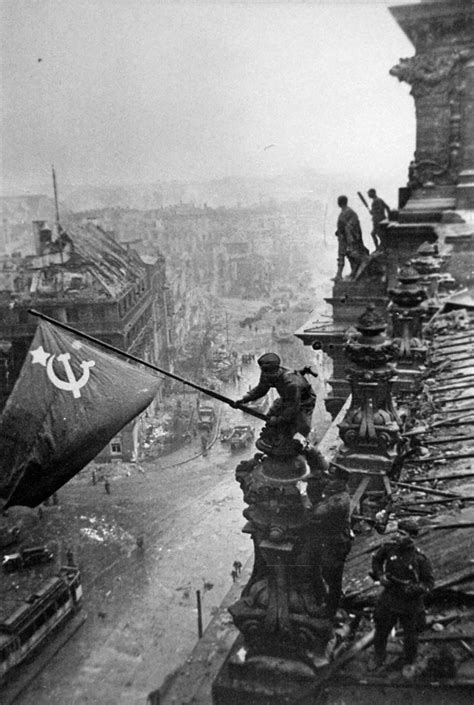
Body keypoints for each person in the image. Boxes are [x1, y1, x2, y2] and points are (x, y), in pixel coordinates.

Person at [370, 518, 435, 672]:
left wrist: (414, 589)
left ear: (412, 537)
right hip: (390, 597)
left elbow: (429, 584)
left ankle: (409, 660)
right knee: (381, 630)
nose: (398, 536)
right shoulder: (389, 548)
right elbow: (376, 560)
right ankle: (379, 656)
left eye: (403, 534)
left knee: (411, 635)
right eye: (398, 532)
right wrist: (380, 576)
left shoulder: (420, 559)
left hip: (410, 603)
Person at [235, 353, 316, 438]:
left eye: (268, 371)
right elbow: (260, 390)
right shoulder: (267, 374)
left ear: (276, 370)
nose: (265, 375)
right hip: (287, 398)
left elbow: (292, 407)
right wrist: (243, 400)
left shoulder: (290, 383)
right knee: (269, 418)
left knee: (299, 427)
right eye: (264, 370)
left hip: (304, 401)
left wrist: (279, 419)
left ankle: (305, 443)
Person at [310, 465, 352, 619]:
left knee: (332, 577)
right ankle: (330, 602)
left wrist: (305, 497)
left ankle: (331, 610)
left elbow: (318, 512)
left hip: (336, 543)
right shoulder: (338, 491)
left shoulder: (338, 500)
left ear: (339, 481)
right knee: (330, 575)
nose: (328, 481)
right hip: (333, 540)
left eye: (331, 478)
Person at [335, 195, 369, 280]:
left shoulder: (349, 212)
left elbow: (352, 225)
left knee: (350, 255)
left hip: (349, 238)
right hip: (343, 237)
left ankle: (355, 271)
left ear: (341, 202)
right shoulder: (344, 212)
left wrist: (348, 234)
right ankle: (339, 275)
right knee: (343, 255)